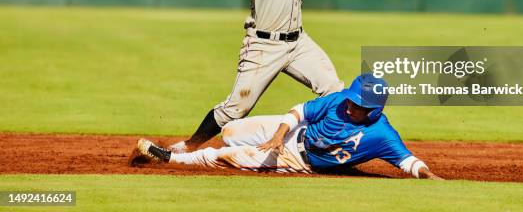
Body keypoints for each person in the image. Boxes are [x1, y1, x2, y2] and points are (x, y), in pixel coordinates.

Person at [157, 0, 344, 153]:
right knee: (236, 108)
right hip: (263, 45)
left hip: (299, 43)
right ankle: (189, 146)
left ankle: (313, 144)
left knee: (334, 90)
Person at [137, 73, 442, 180]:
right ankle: (252, 152)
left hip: (298, 160)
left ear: (374, 110)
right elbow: (298, 112)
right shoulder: (339, 101)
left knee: (224, 156)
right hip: (292, 135)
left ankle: (169, 157)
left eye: (359, 105)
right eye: (351, 99)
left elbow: (410, 163)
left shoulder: (382, 134)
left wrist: (436, 180)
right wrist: (278, 136)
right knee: (231, 131)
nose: (351, 105)